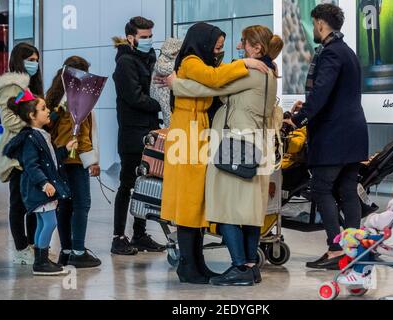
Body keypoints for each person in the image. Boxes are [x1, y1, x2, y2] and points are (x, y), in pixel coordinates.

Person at [169, 25, 283, 286]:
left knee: (226, 209)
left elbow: (211, 87)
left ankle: (239, 266)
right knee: (251, 211)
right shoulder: (270, 73)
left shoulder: (253, 72)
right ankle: (251, 267)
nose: (238, 47)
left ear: (257, 48)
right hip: (257, 144)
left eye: (244, 42)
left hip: (237, 145)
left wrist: (176, 84)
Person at [284, 4, 369, 270]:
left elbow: (321, 93)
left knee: (321, 189)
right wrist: (306, 105)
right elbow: (335, 94)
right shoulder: (347, 52)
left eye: (314, 25)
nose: (313, 30)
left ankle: (335, 249)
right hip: (353, 133)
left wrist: (295, 119)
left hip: (334, 135)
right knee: (347, 191)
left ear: (320, 23)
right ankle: (351, 249)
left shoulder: (331, 53)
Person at [3, 90, 76, 275]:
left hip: (42, 188)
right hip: (39, 190)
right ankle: (41, 262)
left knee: (44, 223)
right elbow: (31, 165)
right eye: (43, 108)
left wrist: (65, 150)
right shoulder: (30, 138)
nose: (48, 111)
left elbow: (49, 161)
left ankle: (39, 259)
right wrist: (44, 184)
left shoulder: (41, 135)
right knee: (50, 223)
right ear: (32, 116)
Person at [112, 16, 165, 255]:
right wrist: (162, 104)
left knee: (145, 185)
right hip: (133, 134)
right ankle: (118, 237)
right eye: (144, 37)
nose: (149, 40)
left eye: (150, 35)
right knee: (127, 185)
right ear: (131, 38)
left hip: (151, 131)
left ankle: (140, 233)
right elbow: (134, 97)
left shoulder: (151, 57)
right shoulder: (125, 62)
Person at [46, 56, 102, 268]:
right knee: (81, 204)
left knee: (65, 206)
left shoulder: (55, 97)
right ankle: (78, 252)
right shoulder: (77, 100)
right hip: (75, 160)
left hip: (58, 159)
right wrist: (92, 161)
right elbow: (81, 136)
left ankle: (66, 251)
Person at [0, 42, 43, 265]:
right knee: (18, 203)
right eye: (30, 60)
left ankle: (33, 244)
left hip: (32, 152)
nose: (34, 64)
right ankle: (21, 248)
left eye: (36, 60)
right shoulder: (11, 87)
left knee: (34, 202)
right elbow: (9, 120)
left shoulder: (30, 86)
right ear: (18, 60)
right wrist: (34, 124)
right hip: (17, 154)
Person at [337, 176, 393, 287]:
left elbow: (375, 221)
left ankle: (359, 273)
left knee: (364, 242)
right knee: (373, 242)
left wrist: (370, 219)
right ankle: (366, 274)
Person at [359, 0, 383, 66]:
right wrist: (362, 6)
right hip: (367, 4)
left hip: (374, 4)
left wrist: (380, 5)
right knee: (369, 34)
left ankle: (377, 58)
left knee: (376, 33)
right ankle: (371, 59)